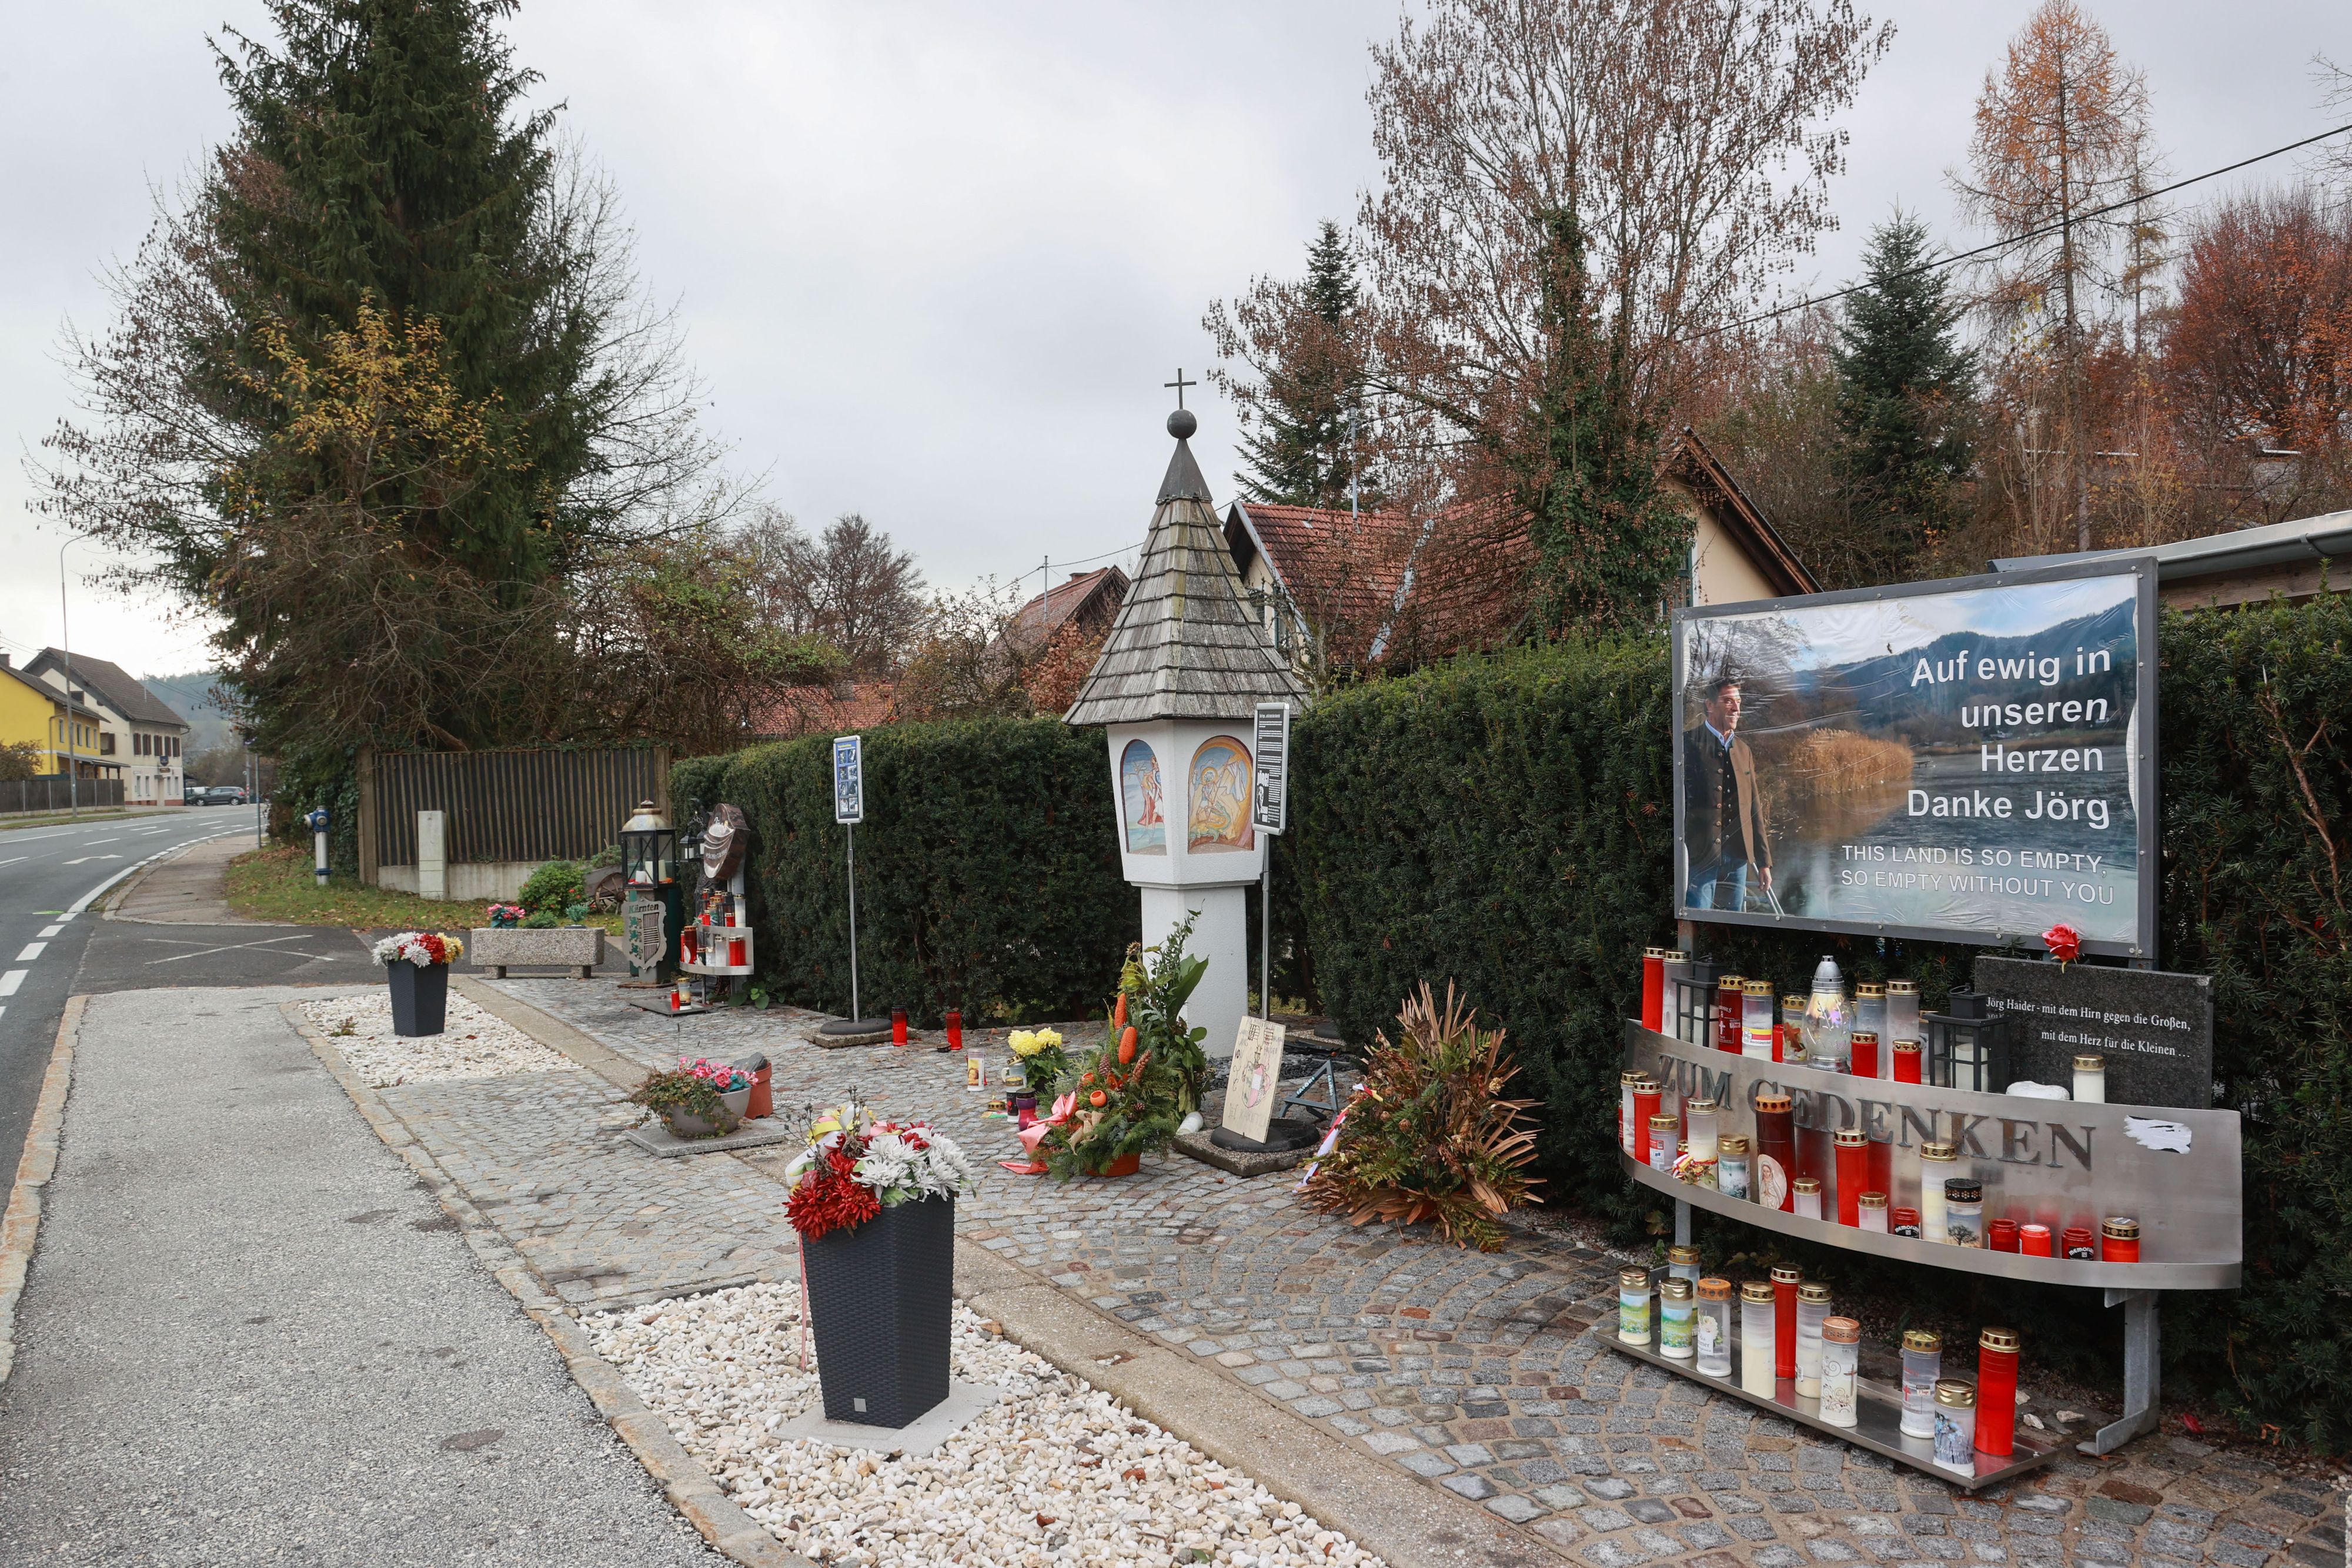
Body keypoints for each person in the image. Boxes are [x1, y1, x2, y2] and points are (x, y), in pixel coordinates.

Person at [1683, 676, 1774, 911]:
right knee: (1699, 922)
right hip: (1700, 856)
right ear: (1710, 705)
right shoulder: (1688, 744)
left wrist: (1764, 863)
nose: (1736, 708)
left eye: (1739, 702)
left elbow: (1754, 807)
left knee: (1731, 930)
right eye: (1728, 701)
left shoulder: (1744, 751)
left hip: (1738, 859)